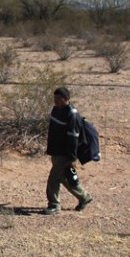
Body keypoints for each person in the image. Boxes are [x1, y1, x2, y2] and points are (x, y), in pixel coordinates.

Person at [43, 87, 93, 215]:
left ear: (67, 99)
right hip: (55, 151)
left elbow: (73, 139)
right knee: (64, 178)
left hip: (65, 154)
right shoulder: (56, 110)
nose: (56, 102)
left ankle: (54, 205)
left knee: (53, 179)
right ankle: (84, 197)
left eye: (59, 99)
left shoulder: (72, 115)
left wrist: (72, 158)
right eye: (55, 99)